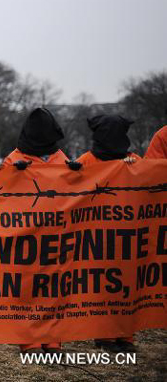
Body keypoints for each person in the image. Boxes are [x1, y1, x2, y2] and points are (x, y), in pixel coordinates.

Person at [1, 107, 77, 355]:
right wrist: (14, 174)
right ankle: (30, 341)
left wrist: (77, 172)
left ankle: (53, 340)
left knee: (54, 289)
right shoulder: (14, 158)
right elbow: (1, 188)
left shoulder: (61, 158)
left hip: (56, 235)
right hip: (26, 235)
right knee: (27, 289)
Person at [76, 114, 139, 354]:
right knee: (106, 286)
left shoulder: (132, 161)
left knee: (125, 287)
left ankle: (124, 336)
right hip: (99, 236)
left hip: (124, 235)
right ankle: (106, 335)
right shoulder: (88, 161)